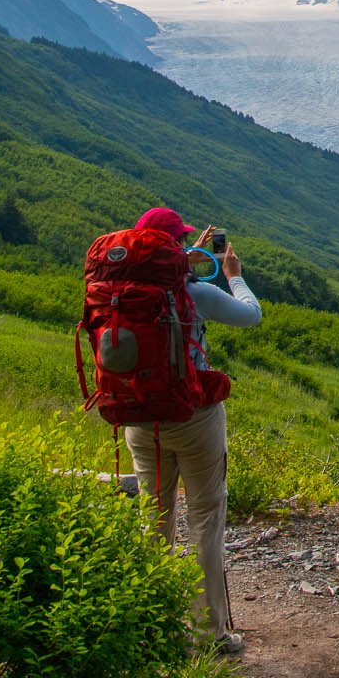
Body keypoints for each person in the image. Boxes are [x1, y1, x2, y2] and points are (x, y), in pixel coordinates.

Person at [121, 205, 262, 653]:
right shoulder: (191, 290)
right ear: (174, 246)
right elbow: (249, 315)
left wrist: (192, 257)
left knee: (154, 515)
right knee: (204, 519)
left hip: (139, 417)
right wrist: (233, 275)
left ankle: (150, 622)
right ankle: (211, 633)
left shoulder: (119, 287)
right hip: (193, 417)